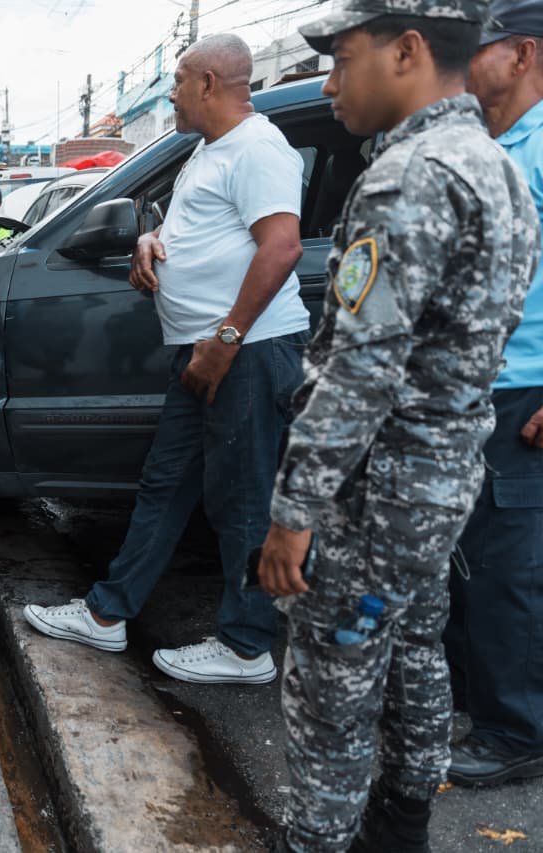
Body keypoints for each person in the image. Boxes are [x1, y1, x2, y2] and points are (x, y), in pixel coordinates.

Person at [258, 0, 539, 848]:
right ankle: (401, 820)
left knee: (331, 690)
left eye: (344, 58)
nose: (331, 82)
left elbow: (360, 368)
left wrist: (292, 512)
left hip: (375, 490)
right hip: (444, 478)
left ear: (409, 50)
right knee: (415, 648)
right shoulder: (495, 166)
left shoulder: (410, 177)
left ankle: (319, 837)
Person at [24, 34, 309, 686]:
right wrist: (152, 242)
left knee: (239, 502)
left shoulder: (258, 148)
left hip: (246, 351)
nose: (173, 92)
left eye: (179, 80)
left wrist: (224, 341)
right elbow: (200, 230)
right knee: (165, 483)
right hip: (206, 352)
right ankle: (107, 614)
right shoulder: (210, 152)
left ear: (208, 83)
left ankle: (246, 647)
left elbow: (282, 248)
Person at [443, 0, 543, 789]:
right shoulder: (492, 144)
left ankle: (518, 729)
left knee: (512, 569)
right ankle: (484, 706)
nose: (464, 63)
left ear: (522, 55)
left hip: (526, 392)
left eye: (479, 48)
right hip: (478, 388)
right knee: (471, 562)